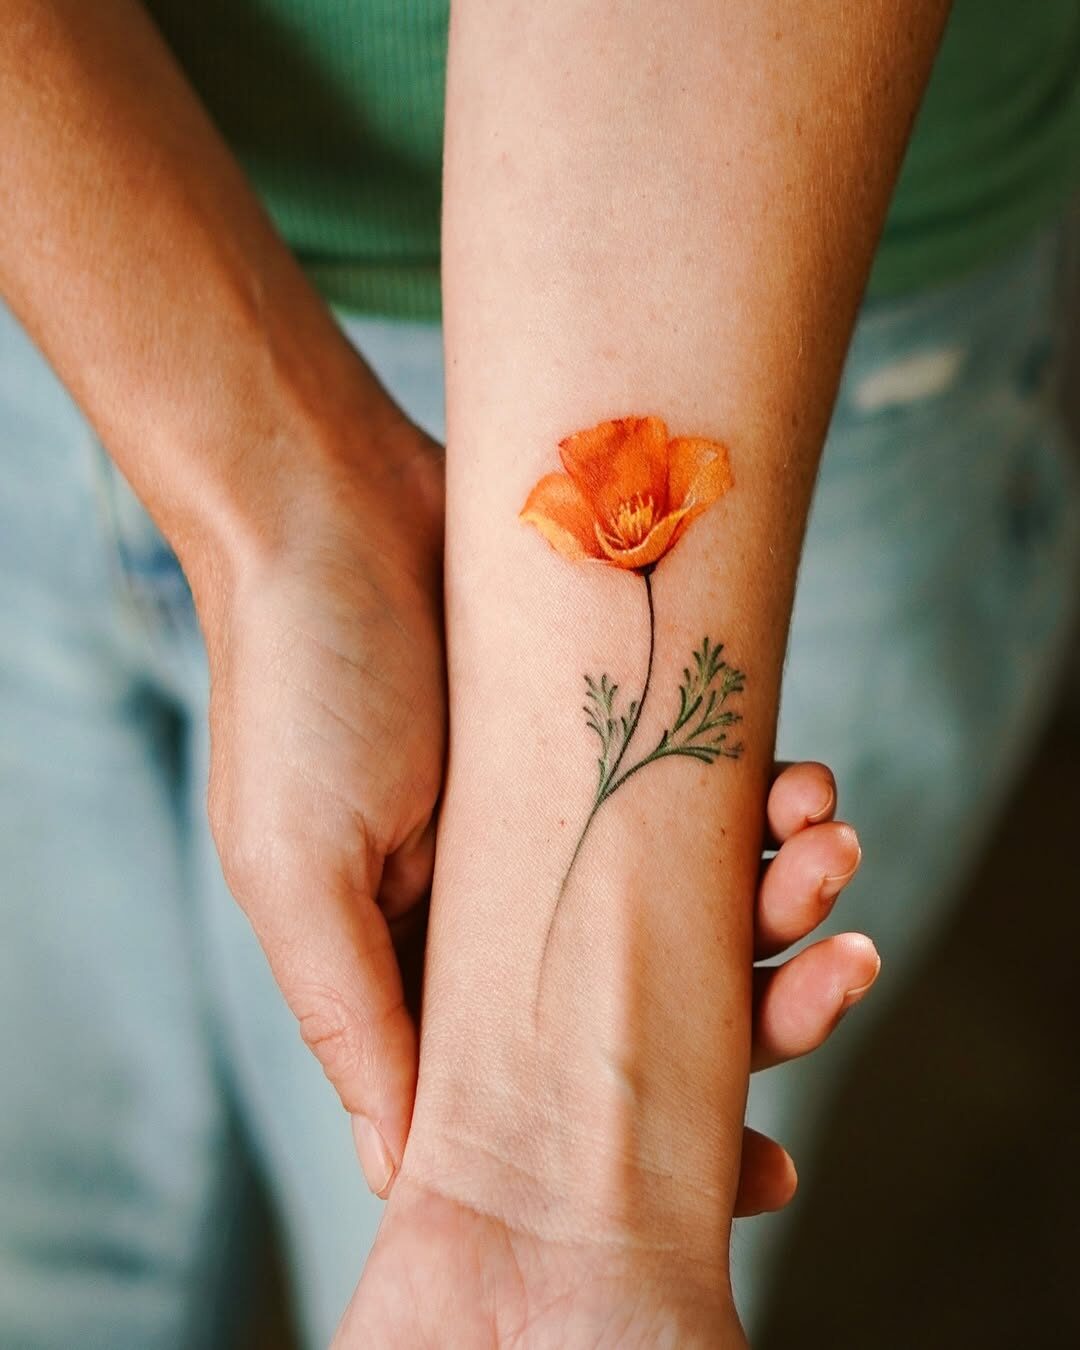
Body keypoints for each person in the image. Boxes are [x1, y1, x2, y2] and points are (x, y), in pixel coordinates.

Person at [0, 3, 1077, 1348]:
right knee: (43, 1255)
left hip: (746, 296)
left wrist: (566, 1188)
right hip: (34, 269)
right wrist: (266, 488)